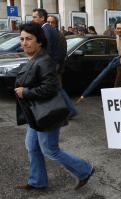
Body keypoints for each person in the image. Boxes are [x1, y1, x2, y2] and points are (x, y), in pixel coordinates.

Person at [14, 23, 94, 191]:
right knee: (32, 146)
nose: (24, 42)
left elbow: (50, 87)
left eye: (29, 39)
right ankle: (37, 181)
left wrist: (26, 92)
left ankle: (85, 170)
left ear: (40, 42)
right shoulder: (34, 59)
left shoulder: (44, 60)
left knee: (50, 150)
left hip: (47, 114)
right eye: (22, 39)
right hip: (35, 114)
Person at [47, 15, 78, 118]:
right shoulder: (51, 34)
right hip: (52, 66)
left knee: (58, 89)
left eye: (52, 22)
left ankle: (71, 110)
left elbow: (60, 54)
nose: (50, 24)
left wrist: (55, 68)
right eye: (48, 22)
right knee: (56, 89)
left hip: (56, 67)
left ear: (56, 24)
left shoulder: (59, 36)